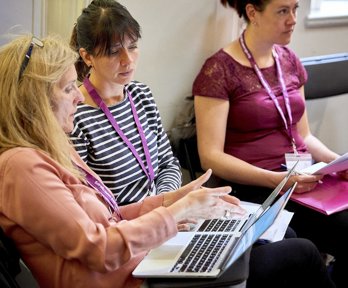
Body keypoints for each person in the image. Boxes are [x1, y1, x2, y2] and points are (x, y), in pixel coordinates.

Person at [0, 34, 335, 288]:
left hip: (142, 264)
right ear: (34, 103)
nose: (77, 96)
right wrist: (176, 215)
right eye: (68, 88)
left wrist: (172, 200)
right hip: (135, 281)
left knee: (283, 236)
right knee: (301, 253)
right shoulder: (22, 167)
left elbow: (111, 218)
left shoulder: (51, 149)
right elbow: (99, 248)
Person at [193, 0, 348, 287]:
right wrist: (277, 180)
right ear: (253, 13)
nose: (292, 19)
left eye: (295, 9)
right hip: (261, 188)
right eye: (282, 11)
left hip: (304, 180)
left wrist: (338, 163)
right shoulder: (218, 70)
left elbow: (304, 136)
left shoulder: (289, 61)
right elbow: (210, 156)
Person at [69, 0, 181, 205]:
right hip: (121, 228)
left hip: (164, 215)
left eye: (133, 46)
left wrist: (163, 202)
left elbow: (168, 164)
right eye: (114, 51)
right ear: (87, 57)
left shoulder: (141, 95)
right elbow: (84, 199)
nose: (128, 60)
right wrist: (150, 213)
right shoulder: (74, 114)